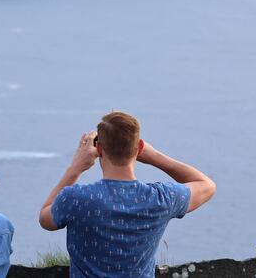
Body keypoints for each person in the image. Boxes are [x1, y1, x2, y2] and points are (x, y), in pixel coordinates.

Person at [38, 111, 216, 278]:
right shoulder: (160, 199)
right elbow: (206, 186)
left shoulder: (77, 199)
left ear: (99, 149)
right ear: (138, 148)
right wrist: (154, 156)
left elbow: (45, 217)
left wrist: (75, 168)